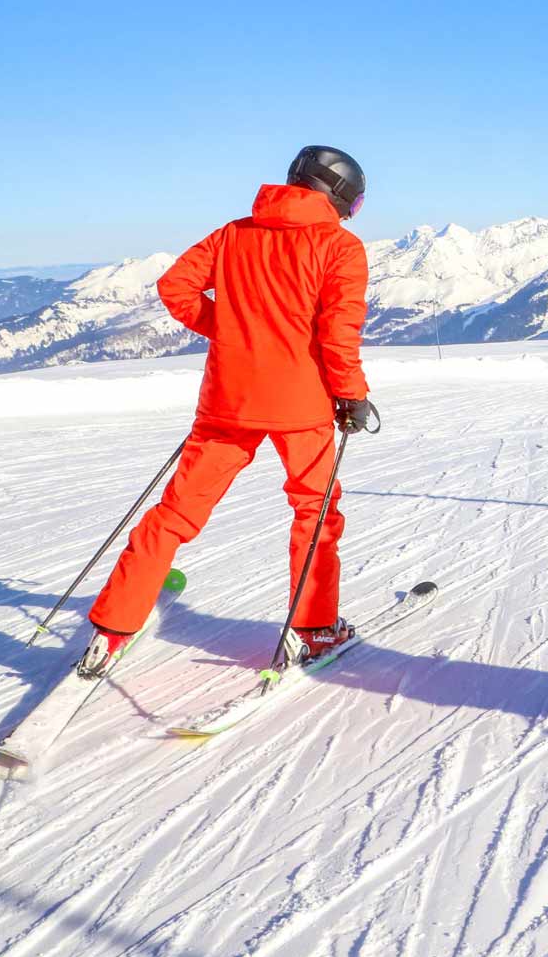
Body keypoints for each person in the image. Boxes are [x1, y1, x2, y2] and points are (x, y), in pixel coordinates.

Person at [77, 146, 381, 677]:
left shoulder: (234, 233)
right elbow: (338, 333)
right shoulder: (339, 247)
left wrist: (233, 331)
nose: (348, 214)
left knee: (175, 512)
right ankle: (314, 629)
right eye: (351, 204)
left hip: (227, 401)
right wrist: (351, 395)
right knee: (315, 514)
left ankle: (113, 628)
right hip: (300, 406)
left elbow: (175, 287)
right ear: (335, 195)